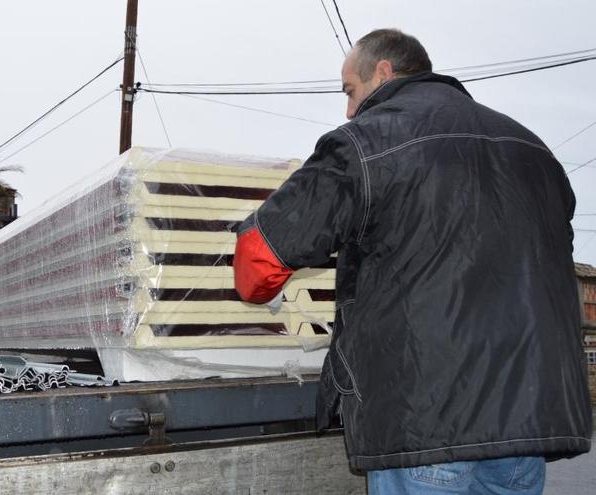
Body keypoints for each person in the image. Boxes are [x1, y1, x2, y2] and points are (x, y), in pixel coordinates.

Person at [233, 28, 592, 494]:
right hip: (524, 425)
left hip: (424, 423)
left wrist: (259, 292)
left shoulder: (367, 143)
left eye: (350, 91)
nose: (348, 108)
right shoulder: (533, 151)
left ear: (383, 73)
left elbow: (259, 260)